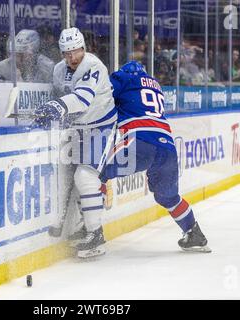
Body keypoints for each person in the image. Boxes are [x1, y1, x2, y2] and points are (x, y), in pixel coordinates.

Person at [100, 61, 211, 253]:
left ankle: (92, 231)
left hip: (139, 140)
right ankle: (193, 233)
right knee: (168, 197)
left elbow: (102, 97)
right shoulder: (155, 85)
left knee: (96, 173)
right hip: (167, 147)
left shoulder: (123, 77)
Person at [33, 27, 117, 259]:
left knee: (85, 177)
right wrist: (48, 111)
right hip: (77, 130)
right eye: (66, 53)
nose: (71, 58)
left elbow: (82, 98)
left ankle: (96, 235)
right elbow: (59, 95)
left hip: (102, 126)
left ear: (83, 48)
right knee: (77, 178)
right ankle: (85, 227)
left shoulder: (93, 66)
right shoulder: (59, 70)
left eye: (75, 51)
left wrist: (58, 107)